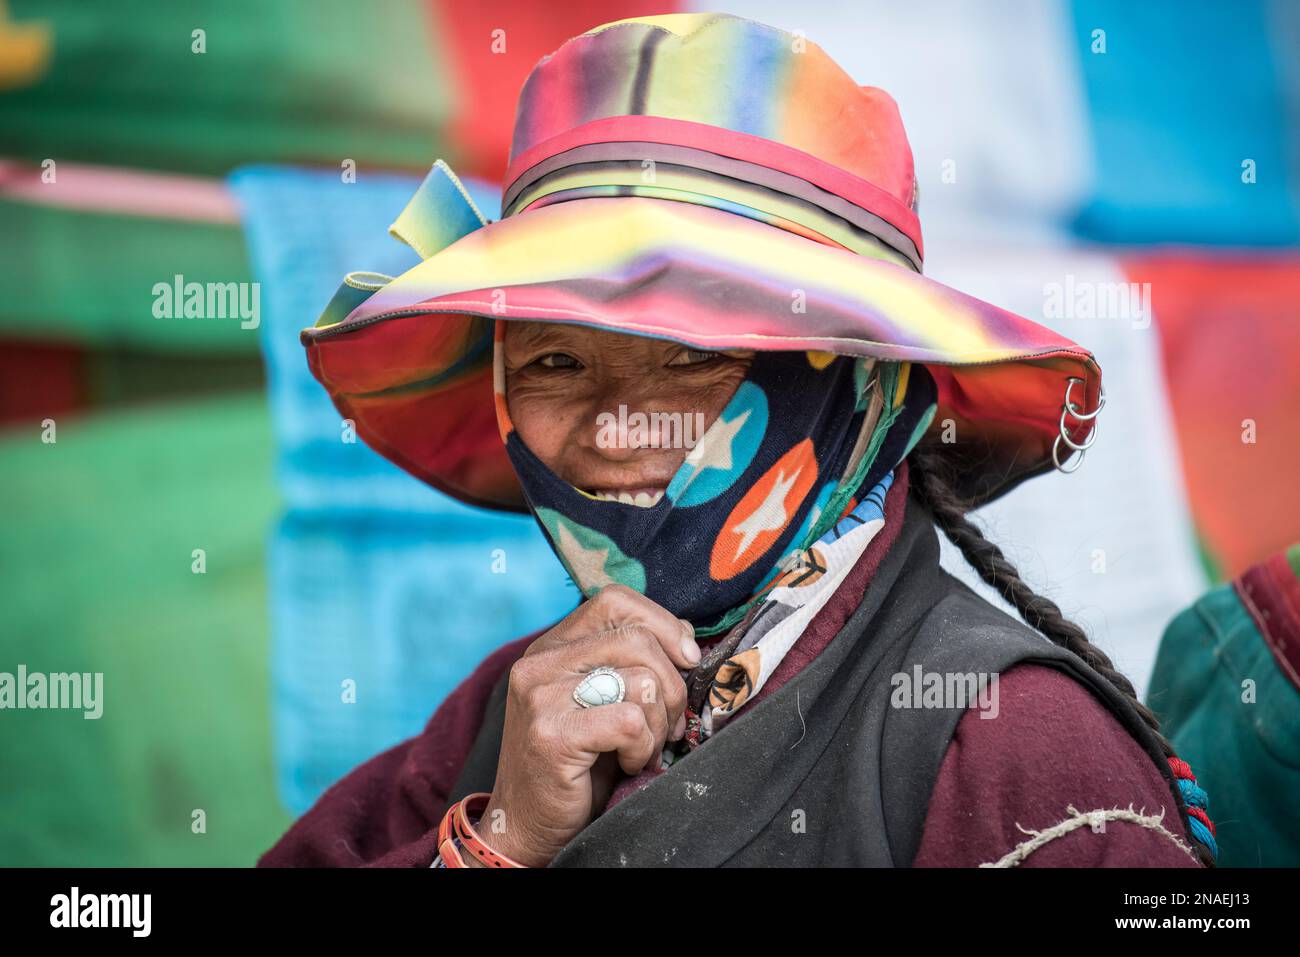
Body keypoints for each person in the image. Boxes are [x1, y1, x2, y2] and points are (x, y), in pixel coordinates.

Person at [261, 11, 1216, 868]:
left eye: (692, 356)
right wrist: (498, 842)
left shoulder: (1019, 753)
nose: (615, 424)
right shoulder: (506, 717)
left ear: (864, 384)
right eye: (554, 363)